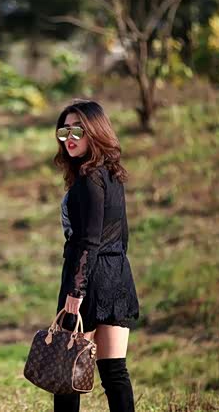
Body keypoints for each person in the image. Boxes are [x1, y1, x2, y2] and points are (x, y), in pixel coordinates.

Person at [53, 99, 140, 412]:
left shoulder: (88, 179)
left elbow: (88, 241)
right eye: (64, 130)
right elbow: (121, 236)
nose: (70, 137)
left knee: (67, 372)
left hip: (87, 281)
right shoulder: (111, 175)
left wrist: (75, 292)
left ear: (94, 131)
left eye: (78, 130)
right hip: (117, 277)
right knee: (114, 372)